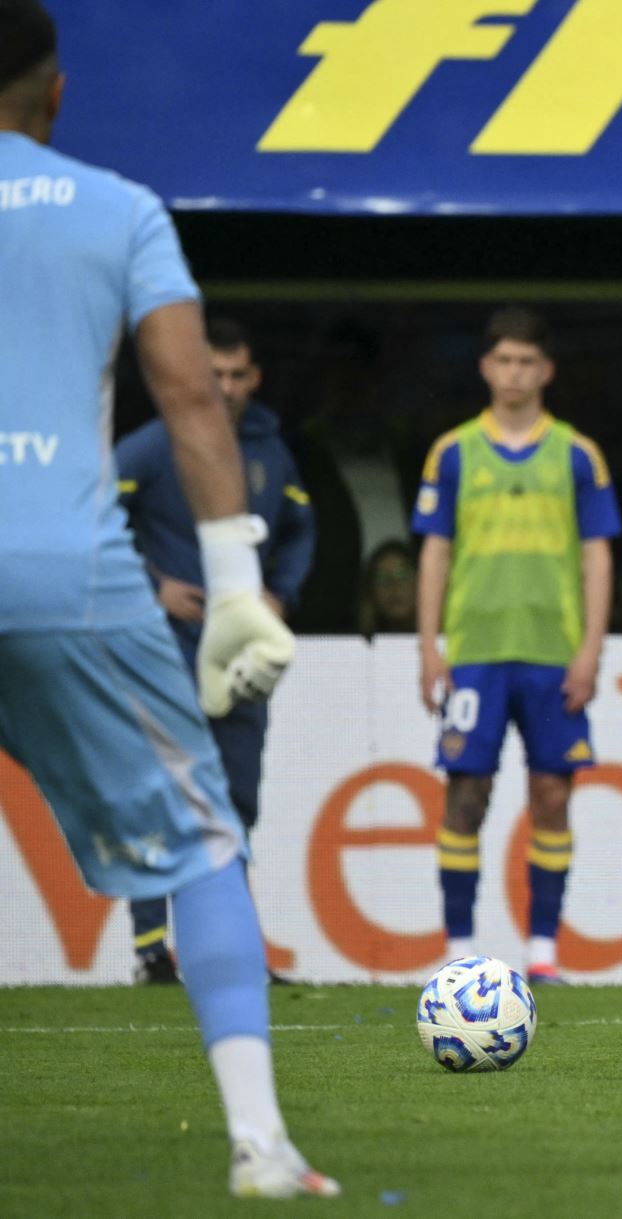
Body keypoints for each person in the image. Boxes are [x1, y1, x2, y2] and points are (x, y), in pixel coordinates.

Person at [0, 1, 334, 1196]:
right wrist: (236, 589)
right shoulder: (117, 210)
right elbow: (193, 400)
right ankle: (260, 1142)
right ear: (58, 90)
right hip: (64, 571)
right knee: (202, 847)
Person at [413, 307, 621, 986]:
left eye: (527, 361)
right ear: (485, 367)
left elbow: (597, 557)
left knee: (553, 794)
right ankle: (458, 947)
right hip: (475, 649)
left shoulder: (578, 454)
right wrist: (428, 645)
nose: (514, 373)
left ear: (546, 370)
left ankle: (542, 952)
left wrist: (591, 647)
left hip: (552, 652)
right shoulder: (451, 452)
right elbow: (435, 552)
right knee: (465, 794)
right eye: (504, 360)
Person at [116, 318, 316, 984]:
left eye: (237, 375)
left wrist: (279, 597)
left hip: (239, 654)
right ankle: (152, 945)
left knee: (234, 799)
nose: (226, 388)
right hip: (162, 645)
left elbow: (297, 528)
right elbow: (93, 517)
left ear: (254, 379)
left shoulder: (270, 453)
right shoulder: (151, 447)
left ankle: (231, 952)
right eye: (215, 375)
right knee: (161, 789)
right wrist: (153, 585)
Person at [359, 538, 417, 636]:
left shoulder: (444, 638)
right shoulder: (354, 642)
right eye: (382, 578)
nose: (394, 585)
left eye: (402, 575)